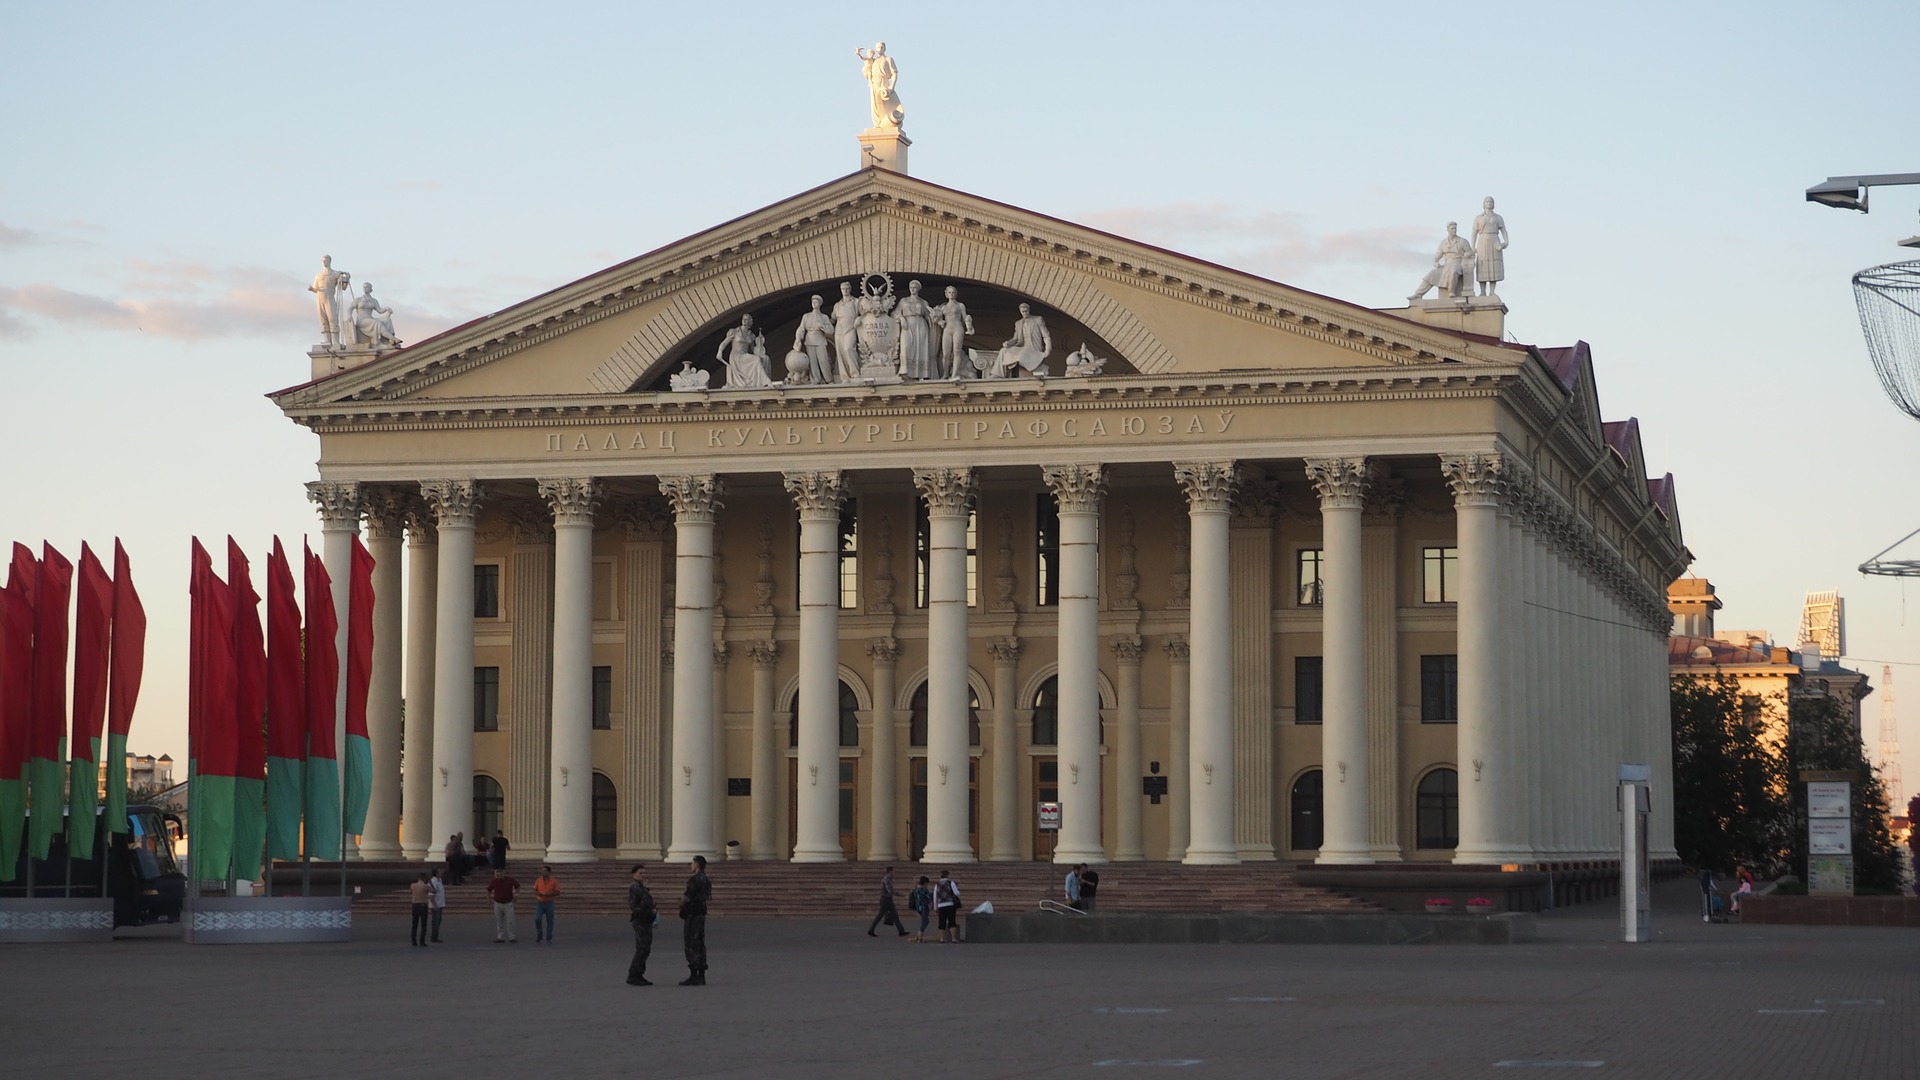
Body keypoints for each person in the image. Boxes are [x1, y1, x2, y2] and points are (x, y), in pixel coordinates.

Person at [1410, 222, 1475, 301]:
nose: (1454, 230)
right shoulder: (1443, 242)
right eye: (1452, 229)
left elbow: (1470, 252)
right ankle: (1418, 294)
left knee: (1453, 271)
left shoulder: (1462, 241)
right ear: (1448, 230)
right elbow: (1438, 254)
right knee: (1432, 274)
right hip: (1447, 264)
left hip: (1458, 263)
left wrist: (1467, 254)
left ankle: (1451, 291)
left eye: (1455, 229)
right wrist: (1435, 262)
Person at [856, 41, 903, 129]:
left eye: (881, 47)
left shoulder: (888, 59)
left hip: (884, 81)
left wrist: (892, 86)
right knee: (875, 104)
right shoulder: (874, 60)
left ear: (885, 48)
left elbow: (894, 73)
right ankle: (877, 123)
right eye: (878, 47)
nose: (880, 49)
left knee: (885, 103)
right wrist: (859, 54)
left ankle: (887, 122)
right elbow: (865, 62)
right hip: (874, 82)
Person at [679, 854, 711, 985]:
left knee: (691, 943)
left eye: (692, 863)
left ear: (697, 864)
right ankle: (701, 974)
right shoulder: (706, 880)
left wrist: (681, 906)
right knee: (700, 942)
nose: (691, 866)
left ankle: (694, 974)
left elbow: (687, 897)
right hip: (701, 913)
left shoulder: (695, 880)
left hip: (692, 913)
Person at [894, 280, 936, 379]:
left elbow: (928, 316)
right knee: (906, 346)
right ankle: (905, 371)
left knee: (920, 348)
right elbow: (895, 313)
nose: (912, 289)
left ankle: (921, 374)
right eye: (911, 287)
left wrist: (935, 316)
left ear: (918, 289)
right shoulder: (904, 301)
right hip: (907, 325)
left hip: (920, 325)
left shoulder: (923, 302)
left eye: (914, 287)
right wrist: (901, 318)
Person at [931, 285, 974, 379]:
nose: (951, 294)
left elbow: (965, 317)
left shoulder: (960, 305)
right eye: (949, 292)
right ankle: (946, 373)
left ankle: (954, 374)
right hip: (947, 329)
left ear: (956, 294)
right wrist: (939, 321)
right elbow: (935, 318)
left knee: (956, 352)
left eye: (953, 292)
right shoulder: (943, 307)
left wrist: (969, 327)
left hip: (957, 327)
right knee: (945, 354)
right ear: (946, 294)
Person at [718, 314, 773, 389]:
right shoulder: (734, 332)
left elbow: (754, 350)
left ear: (751, 322)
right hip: (736, 356)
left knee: (765, 358)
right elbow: (724, 343)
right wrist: (720, 352)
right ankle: (766, 382)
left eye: (747, 319)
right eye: (743, 319)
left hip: (745, 355)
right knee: (756, 359)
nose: (744, 321)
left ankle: (758, 382)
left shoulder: (751, 335)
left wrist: (760, 347)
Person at [998, 303, 1052, 376]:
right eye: (1023, 312)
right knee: (1003, 350)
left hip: (1034, 350)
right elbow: (1015, 339)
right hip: (1023, 348)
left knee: (1021, 356)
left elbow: (1046, 336)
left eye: (1026, 311)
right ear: (1020, 312)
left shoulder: (1038, 319)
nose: (1025, 313)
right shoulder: (1018, 323)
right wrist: (1008, 343)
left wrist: (1047, 350)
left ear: (1029, 310)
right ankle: (999, 375)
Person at [626, 864, 658, 985]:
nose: (643, 875)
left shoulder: (641, 887)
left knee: (644, 947)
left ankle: (638, 973)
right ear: (634, 874)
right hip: (640, 919)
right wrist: (649, 909)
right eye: (640, 873)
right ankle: (634, 974)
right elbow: (640, 904)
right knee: (642, 948)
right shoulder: (635, 887)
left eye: (644, 873)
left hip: (645, 919)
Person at [796, 295, 837, 384]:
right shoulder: (806, 316)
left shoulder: (824, 317)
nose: (814, 304)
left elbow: (831, 330)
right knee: (812, 361)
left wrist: (823, 326)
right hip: (810, 340)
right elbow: (801, 328)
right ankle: (815, 380)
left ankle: (828, 379)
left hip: (820, 339)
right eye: (813, 302)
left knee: (823, 360)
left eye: (816, 302)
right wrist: (798, 338)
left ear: (820, 304)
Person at [1472, 196, 1508, 297]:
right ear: (1484, 204)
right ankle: (1482, 291)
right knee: (1482, 265)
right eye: (1487, 201)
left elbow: (1504, 230)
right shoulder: (1478, 218)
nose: (1489, 203)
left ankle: (1492, 291)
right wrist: (1472, 246)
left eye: (1491, 201)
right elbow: (1474, 232)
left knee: (1493, 266)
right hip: (1482, 241)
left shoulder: (1498, 217)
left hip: (1495, 241)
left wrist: (1505, 242)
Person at [348, 281, 401, 349]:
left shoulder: (374, 300)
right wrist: (349, 315)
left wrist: (387, 309)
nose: (365, 288)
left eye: (367, 287)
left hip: (370, 318)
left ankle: (387, 341)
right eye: (364, 287)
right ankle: (392, 339)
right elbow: (350, 308)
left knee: (387, 320)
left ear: (370, 289)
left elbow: (380, 310)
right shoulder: (358, 300)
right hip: (362, 320)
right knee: (377, 323)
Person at [309, 255, 347, 347]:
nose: (324, 262)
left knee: (332, 318)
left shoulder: (335, 274)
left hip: (329, 296)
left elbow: (343, 288)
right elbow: (315, 288)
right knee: (323, 319)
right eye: (323, 261)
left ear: (330, 261)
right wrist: (312, 289)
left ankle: (336, 342)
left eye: (326, 260)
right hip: (320, 297)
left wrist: (346, 280)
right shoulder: (318, 275)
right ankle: (327, 341)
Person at [831, 282, 862, 380]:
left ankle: (855, 373)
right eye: (843, 289)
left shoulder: (856, 302)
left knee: (848, 348)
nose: (845, 291)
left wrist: (859, 318)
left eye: (847, 288)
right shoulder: (837, 305)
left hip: (851, 328)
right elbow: (832, 319)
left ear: (850, 289)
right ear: (841, 290)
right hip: (839, 330)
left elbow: (864, 314)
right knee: (840, 353)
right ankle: (844, 376)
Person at [868, 866, 909, 938]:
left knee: (894, 915)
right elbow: (890, 891)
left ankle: (901, 931)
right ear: (890, 871)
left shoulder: (889, 879)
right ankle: (871, 930)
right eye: (893, 871)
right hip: (885, 900)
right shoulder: (886, 879)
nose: (894, 873)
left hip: (887, 899)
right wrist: (899, 894)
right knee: (880, 916)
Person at [488, 867, 521, 943]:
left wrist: (516, 895)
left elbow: (517, 886)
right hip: (498, 903)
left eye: (500, 874)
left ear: (504, 874)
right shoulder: (494, 881)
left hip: (508, 903)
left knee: (510, 920)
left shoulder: (509, 880)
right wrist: (489, 899)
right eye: (498, 874)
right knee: (499, 921)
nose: (499, 876)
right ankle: (500, 937)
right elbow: (488, 890)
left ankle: (511, 936)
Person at [533, 865, 560, 943]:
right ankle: (539, 934)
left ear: (549, 872)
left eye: (545, 871)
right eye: (542, 871)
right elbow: (534, 890)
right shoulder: (538, 880)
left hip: (549, 902)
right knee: (537, 919)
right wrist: (539, 893)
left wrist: (550, 894)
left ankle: (549, 937)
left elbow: (558, 892)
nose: (543, 872)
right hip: (540, 902)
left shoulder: (554, 881)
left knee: (550, 920)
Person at [934, 869, 961, 943]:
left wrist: (935, 907)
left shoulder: (937, 884)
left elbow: (935, 896)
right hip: (950, 905)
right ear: (947, 875)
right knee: (952, 921)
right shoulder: (951, 883)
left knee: (941, 922)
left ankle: (942, 938)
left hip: (941, 905)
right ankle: (953, 938)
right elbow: (957, 893)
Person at [408, 872, 432, 947]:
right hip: (423, 905)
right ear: (424, 879)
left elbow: (411, 892)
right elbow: (434, 891)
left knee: (414, 924)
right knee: (423, 924)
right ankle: (422, 941)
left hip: (415, 905)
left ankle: (413, 940)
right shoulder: (425, 886)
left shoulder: (413, 885)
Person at [908, 875, 933, 943]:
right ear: (925, 883)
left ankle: (919, 936)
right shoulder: (923, 890)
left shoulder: (915, 889)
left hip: (918, 907)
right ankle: (919, 937)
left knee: (925, 921)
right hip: (924, 907)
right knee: (924, 922)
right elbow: (929, 898)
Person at [428, 868, 447, 943]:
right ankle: (434, 937)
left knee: (438, 921)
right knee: (435, 921)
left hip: (440, 903)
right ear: (436, 873)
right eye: (439, 872)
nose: (441, 873)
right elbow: (431, 895)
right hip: (436, 904)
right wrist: (434, 904)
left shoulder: (439, 880)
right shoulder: (433, 882)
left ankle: (435, 936)